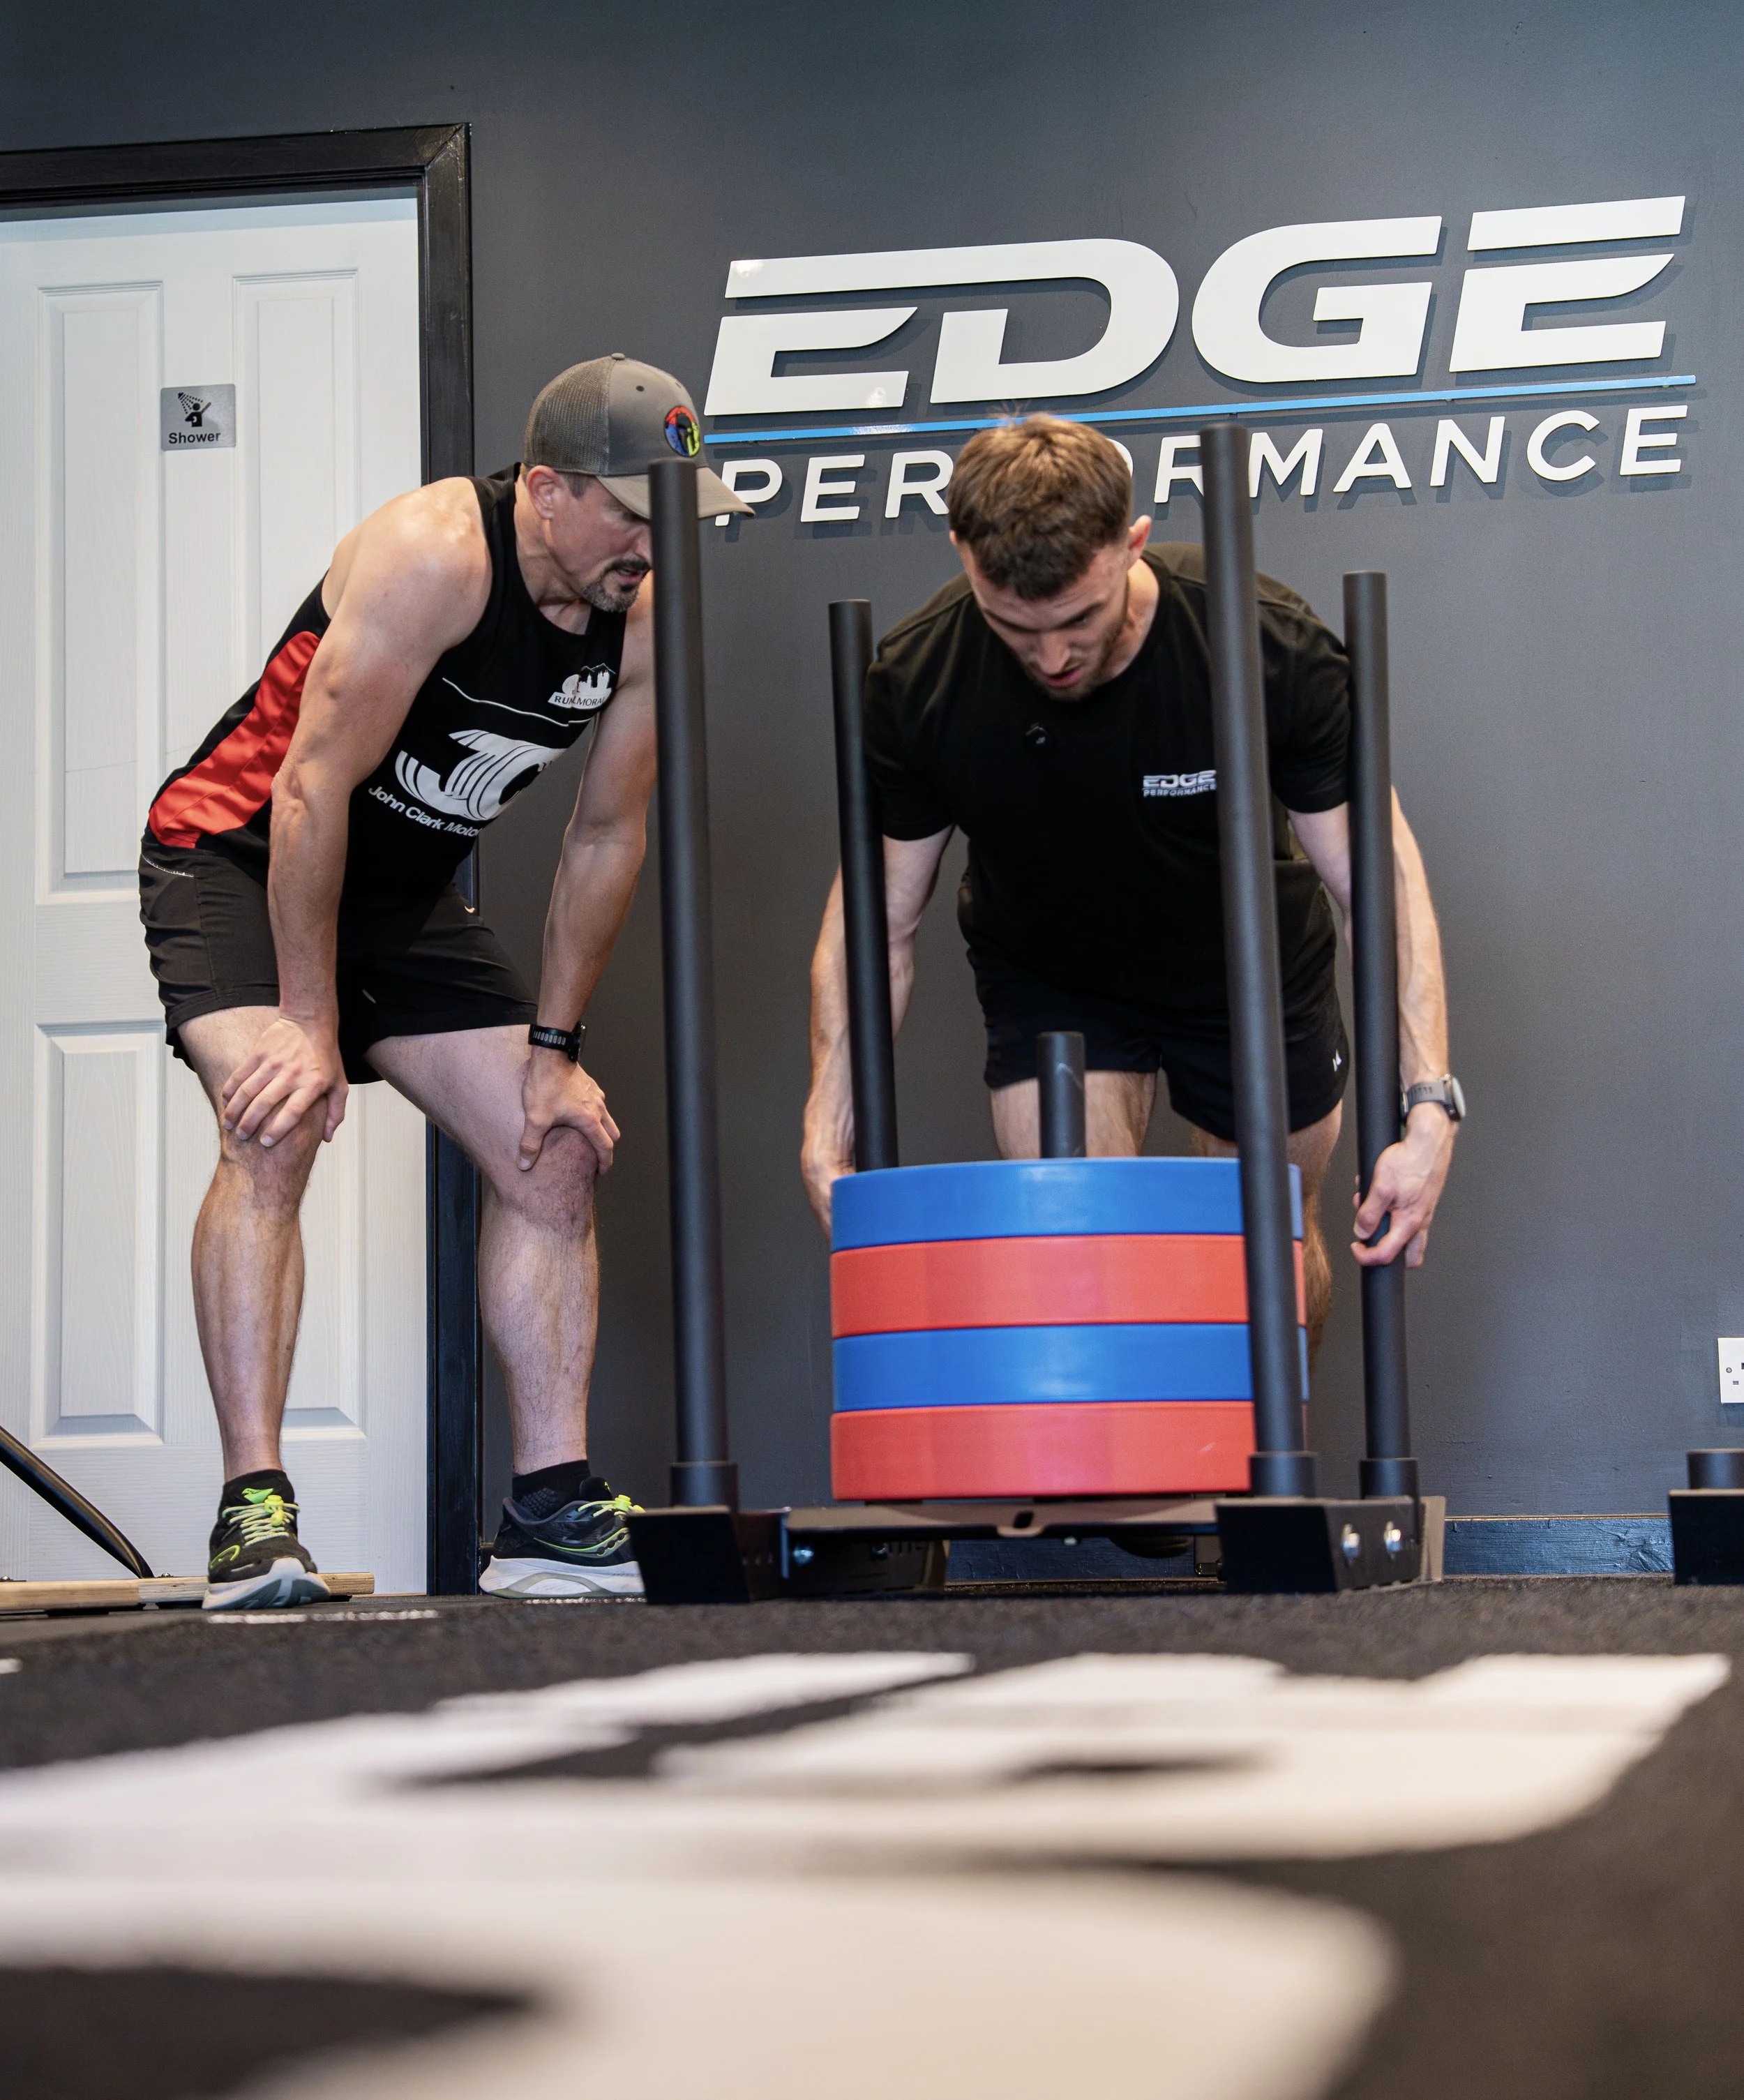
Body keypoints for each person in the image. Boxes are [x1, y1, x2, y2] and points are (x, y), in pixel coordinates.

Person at [140, 354, 747, 1610]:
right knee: (278, 1113)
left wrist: (554, 1045)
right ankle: (255, 1515)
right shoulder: (436, 553)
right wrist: (310, 1023)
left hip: (399, 896)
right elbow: (309, 787)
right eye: (631, 508)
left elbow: (605, 835)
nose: (653, 538)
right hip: (239, 850)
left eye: (672, 509)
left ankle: (549, 1511)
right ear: (545, 489)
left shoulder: (650, 604)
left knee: (555, 1144)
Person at [802, 414, 1461, 1353]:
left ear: (1132, 543)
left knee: (1262, 1264)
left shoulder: (1266, 643)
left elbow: (1376, 882)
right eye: (1015, 629)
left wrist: (1430, 1103)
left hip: (1250, 970)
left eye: (1080, 619)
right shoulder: (921, 680)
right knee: (1077, 1250)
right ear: (962, 554)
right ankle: (1130, 1497)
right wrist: (829, 1116)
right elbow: (877, 919)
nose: (1054, 657)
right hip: (1053, 973)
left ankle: (1257, 1486)